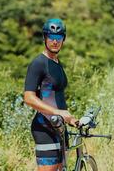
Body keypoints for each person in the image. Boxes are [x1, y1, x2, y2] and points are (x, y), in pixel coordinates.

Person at [24, 18, 78, 171]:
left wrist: (70, 118)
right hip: (45, 127)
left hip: (59, 126)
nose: (55, 42)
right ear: (44, 38)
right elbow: (28, 97)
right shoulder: (38, 63)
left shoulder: (57, 63)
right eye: (51, 38)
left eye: (59, 38)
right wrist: (57, 112)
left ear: (63, 40)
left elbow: (56, 96)